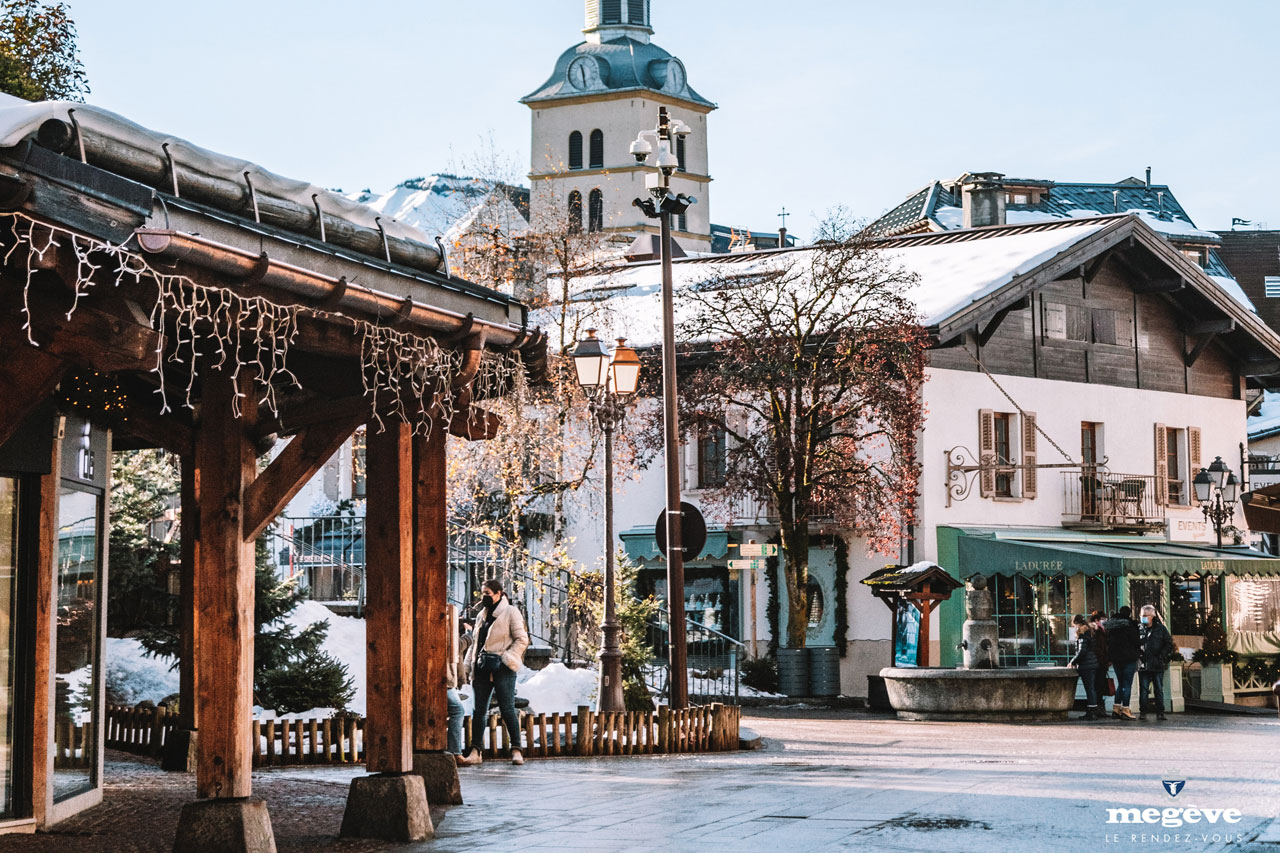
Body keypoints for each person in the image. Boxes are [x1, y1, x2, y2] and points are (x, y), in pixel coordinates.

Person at [459, 579, 529, 766]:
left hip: (502, 668)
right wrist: (467, 667)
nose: (484, 597)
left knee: (507, 709)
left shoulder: (510, 612)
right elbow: (476, 644)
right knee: (478, 711)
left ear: (499, 594)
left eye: (488, 593)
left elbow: (522, 639)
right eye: (483, 593)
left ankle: (516, 750)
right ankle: (476, 751)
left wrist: (507, 658)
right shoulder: (481, 615)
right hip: (482, 668)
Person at [1137, 604, 1174, 721]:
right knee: (1144, 689)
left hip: (1157, 663)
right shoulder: (1139, 628)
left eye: (1145, 615)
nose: (1142, 618)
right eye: (1141, 615)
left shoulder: (1160, 629)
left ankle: (1160, 712)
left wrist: (1162, 655)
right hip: (1144, 663)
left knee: (1158, 689)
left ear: (1152, 616)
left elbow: (1169, 643)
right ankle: (1143, 711)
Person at [1104, 606, 1140, 720]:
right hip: (1129, 658)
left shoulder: (1111, 627)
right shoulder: (1130, 626)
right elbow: (1136, 642)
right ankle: (1125, 709)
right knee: (1127, 684)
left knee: (1121, 683)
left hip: (1115, 658)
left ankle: (1116, 709)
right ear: (1129, 614)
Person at [1069, 614, 1101, 720]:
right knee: (1091, 688)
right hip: (1092, 663)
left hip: (1086, 665)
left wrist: (1073, 662)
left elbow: (1082, 651)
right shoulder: (1089, 631)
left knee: (1089, 688)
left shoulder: (1082, 633)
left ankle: (1092, 712)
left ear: (1076, 624)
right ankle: (1093, 710)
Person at [445, 605, 466, 762]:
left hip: (446, 679)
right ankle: (455, 752)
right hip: (445, 680)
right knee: (458, 711)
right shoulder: (444, 626)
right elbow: (455, 646)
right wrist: (469, 636)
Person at [1089, 610, 1111, 718]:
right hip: (1098, 663)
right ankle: (1097, 708)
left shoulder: (1102, 630)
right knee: (1098, 686)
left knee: (1100, 686)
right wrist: (1104, 660)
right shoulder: (1095, 631)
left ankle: (1099, 708)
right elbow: (1098, 648)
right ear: (1097, 620)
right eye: (1103, 619)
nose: (1105, 621)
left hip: (1101, 663)